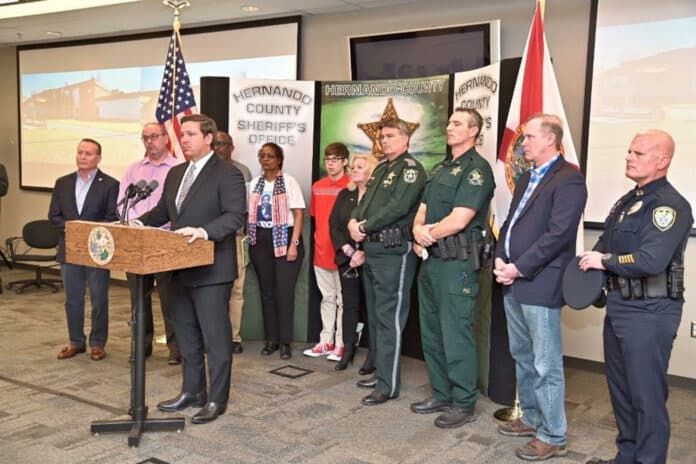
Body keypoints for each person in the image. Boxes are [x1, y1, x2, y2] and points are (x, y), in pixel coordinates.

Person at [578, 129, 692, 464]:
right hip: (619, 306)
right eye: (629, 151)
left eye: (639, 153)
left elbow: (651, 260)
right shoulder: (627, 201)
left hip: (650, 312)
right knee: (622, 393)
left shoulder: (670, 206)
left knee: (647, 397)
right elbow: (605, 245)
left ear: (662, 160)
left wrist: (606, 261)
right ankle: (626, 457)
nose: (629, 157)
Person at [137, 114, 246, 424]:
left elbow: (235, 216)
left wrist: (203, 231)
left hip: (211, 269)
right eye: (181, 134)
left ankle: (217, 398)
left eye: (190, 134)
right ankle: (192, 391)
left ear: (208, 138)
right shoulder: (176, 173)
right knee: (185, 335)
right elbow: (163, 212)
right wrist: (137, 223)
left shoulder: (228, 174)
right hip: (178, 268)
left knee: (215, 337)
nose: (183, 139)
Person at [493, 113, 587, 461]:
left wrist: (518, 267)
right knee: (523, 356)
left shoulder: (569, 180)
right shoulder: (527, 176)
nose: (523, 143)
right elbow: (510, 224)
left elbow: (558, 235)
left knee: (546, 363)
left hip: (540, 282)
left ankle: (554, 435)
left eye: (529, 137)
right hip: (513, 279)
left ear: (550, 139)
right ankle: (532, 418)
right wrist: (502, 261)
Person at [410, 108, 495, 428]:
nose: (449, 127)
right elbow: (423, 209)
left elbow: (460, 219)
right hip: (432, 260)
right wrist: (417, 232)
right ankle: (442, 393)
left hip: (457, 262)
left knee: (456, 331)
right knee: (431, 331)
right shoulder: (440, 168)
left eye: (457, 123)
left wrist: (426, 234)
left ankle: (463, 401)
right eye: (448, 122)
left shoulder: (476, 170)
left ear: (473, 131)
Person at [348, 119, 426, 405]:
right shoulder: (382, 168)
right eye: (382, 137)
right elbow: (365, 202)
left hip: (395, 251)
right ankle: (380, 372)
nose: (385, 141)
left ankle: (388, 385)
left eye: (391, 136)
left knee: (390, 318)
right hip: (374, 249)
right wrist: (354, 219)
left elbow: (399, 207)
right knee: (376, 316)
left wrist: (365, 226)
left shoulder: (411, 170)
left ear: (406, 139)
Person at [49, 138, 119, 361]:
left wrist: (88, 233)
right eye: (80, 152)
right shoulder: (62, 182)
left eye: (88, 153)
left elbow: (111, 217)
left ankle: (98, 343)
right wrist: (74, 230)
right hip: (70, 249)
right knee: (73, 299)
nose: (83, 157)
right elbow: (54, 216)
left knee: (99, 298)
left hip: (98, 250)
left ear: (98, 158)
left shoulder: (109, 184)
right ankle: (76, 342)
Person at [119, 122, 182, 365]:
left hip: (165, 239)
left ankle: (176, 348)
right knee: (138, 299)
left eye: (154, 136)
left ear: (166, 138)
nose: (149, 142)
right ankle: (141, 347)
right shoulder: (134, 169)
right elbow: (122, 203)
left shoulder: (178, 168)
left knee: (170, 298)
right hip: (137, 239)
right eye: (145, 138)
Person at [248, 142, 305, 360]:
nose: (266, 159)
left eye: (270, 156)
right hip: (260, 240)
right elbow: (249, 215)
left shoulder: (289, 182)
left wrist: (294, 244)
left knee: (284, 293)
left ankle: (285, 342)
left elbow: (299, 214)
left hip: (285, 239)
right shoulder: (255, 183)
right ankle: (271, 340)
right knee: (267, 293)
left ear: (279, 159)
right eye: (262, 155)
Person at [329, 153, 378, 371]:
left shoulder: (379, 197)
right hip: (347, 260)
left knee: (372, 307)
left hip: (372, 260)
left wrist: (364, 253)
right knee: (349, 305)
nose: (354, 170)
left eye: (359, 167)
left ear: (371, 171)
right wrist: (349, 251)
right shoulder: (344, 194)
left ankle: (373, 354)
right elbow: (334, 226)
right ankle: (347, 349)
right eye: (354, 167)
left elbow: (381, 226)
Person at [304, 142, 350, 360]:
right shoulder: (318, 186)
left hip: (343, 252)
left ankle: (341, 343)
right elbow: (316, 218)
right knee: (327, 298)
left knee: (343, 300)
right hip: (321, 250)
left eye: (335, 159)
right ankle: (326, 341)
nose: (331, 164)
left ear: (345, 161)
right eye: (328, 160)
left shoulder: (351, 185)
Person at [214, 131, 251, 355]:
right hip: (206, 240)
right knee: (211, 290)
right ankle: (212, 336)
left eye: (223, 144)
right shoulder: (202, 170)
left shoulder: (242, 171)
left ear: (231, 148)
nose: (218, 148)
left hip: (235, 238)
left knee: (236, 289)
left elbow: (246, 209)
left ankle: (233, 336)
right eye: (215, 144)